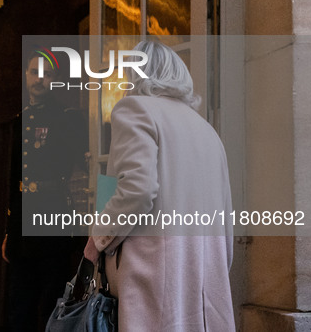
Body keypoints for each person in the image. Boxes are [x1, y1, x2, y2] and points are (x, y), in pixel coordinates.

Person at [84, 41, 235, 331]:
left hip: (154, 278)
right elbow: (225, 221)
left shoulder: (134, 109)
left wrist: (98, 238)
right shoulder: (206, 130)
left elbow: (137, 190)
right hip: (205, 285)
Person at [2, 54, 87, 331]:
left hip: (53, 217)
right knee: (20, 302)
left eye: (47, 74)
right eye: (34, 72)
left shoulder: (67, 118)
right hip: (22, 223)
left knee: (53, 300)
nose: (39, 78)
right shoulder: (20, 120)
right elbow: (14, 179)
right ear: (26, 76)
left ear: (55, 81)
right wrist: (8, 231)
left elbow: (83, 166)